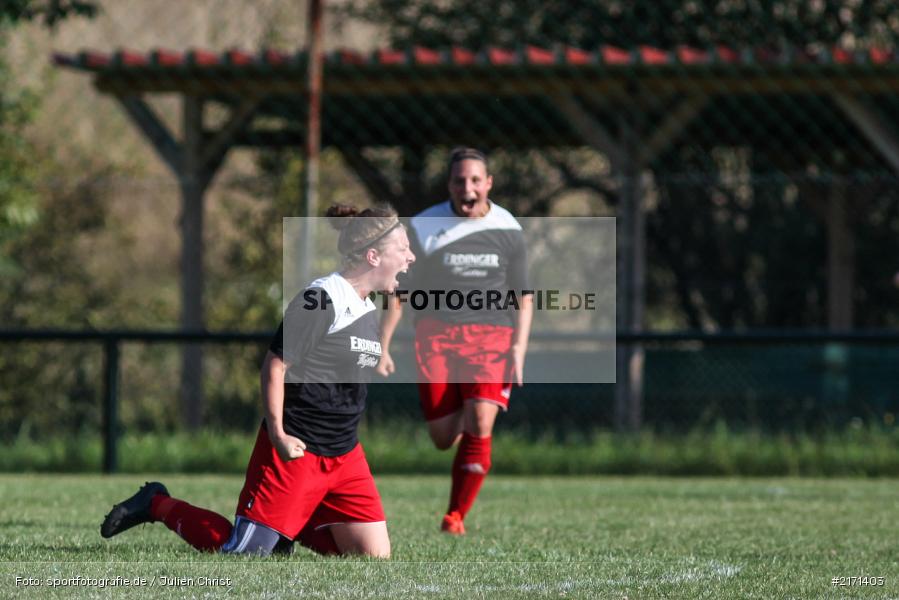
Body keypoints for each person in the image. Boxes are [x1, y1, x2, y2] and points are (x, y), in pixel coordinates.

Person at [100, 204, 415, 556]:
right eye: (403, 249)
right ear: (373, 256)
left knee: (372, 559)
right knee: (244, 554)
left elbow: (395, 304)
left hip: (345, 455)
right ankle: (156, 503)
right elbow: (274, 367)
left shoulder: (366, 304)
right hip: (297, 449)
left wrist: (383, 350)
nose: (410, 257)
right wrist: (279, 434)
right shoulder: (322, 300)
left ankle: (290, 524)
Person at [377, 148, 533, 535]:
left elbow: (524, 295)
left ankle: (454, 516)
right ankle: (474, 407)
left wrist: (519, 348)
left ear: (488, 184)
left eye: (475, 180)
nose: (468, 187)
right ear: (449, 184)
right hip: (437, 335)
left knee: (481, 420)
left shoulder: (508, 228)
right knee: (443, 437)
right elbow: (400, 290)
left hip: (493, 336)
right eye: (460, 180)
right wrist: (381, 344)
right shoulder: (425, 226)